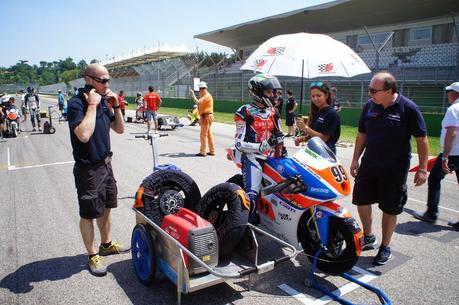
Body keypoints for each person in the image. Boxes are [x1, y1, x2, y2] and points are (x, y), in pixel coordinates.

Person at [350, 72, 429, 265]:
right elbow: (362, 134)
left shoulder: (408, 108)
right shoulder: (370, 106)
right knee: (361, 200)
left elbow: (422, 139)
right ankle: (369, 236)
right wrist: (355, 159)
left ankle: (385, 246)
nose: (370, 94)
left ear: (389, 91)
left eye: (373, 90)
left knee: (390, 208)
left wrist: (423, 169)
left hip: (394, 169)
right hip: (369, 164)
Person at [67, 63, 127, 277]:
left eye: (108, 80)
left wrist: (116, 106)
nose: (106, 84)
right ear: (88, 79)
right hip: (88, 169)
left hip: (106, 164)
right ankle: (92, 255)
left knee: (107, 206)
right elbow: (83, 135)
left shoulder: (104, 102)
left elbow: (119, 129)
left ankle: (106, 244)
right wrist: (92, 105)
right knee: (89, 213)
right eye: (102, 80)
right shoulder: (76, 104)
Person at [234, 74, 284, 223]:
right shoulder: (244, 112)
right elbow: (238, 143)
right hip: (252, 158)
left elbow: (279, 135)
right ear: (257, 92)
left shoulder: (274, 112)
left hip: (271, 158)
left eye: (275, 92)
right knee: (253, 195)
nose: (274, 95)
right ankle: (248, 226)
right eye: (269, 92)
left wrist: (280, 152)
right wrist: (263, 146)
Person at [414, 81, 459, 230]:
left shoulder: (454, 109)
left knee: (434, 179)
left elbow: (452, 133)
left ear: (455, 93)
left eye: (449, 92)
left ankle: (431, 213)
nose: (447, 95)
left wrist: (445, 156)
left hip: (452, 154)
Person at [294, 82, 341, 154]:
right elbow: (314, 135)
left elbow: (323, 138)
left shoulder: (332, 114)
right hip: (313, 150)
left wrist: (305, 127)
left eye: (318, 96)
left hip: (326, 153)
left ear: (326, 95)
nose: (315, 99)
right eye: (313, 96)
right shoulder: (316, 112)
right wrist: (302, 139)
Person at [190, 81, 215, 156]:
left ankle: (203, 152)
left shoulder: (206, 96)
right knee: (209, 134)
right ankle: (212, 151)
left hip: (206, 117)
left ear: (205, 89)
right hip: (208, 116)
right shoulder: (206, 95)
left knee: (203, 135)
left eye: (202, 88)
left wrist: (193, 95)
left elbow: (198, 103)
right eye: (201, 88)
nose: (201, 90)